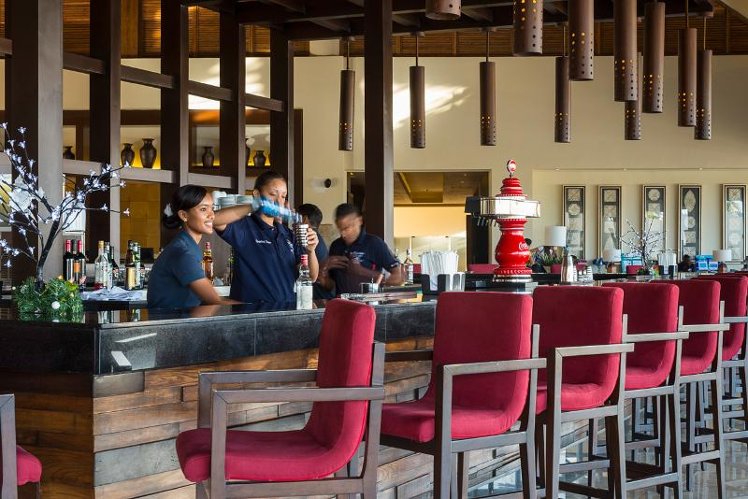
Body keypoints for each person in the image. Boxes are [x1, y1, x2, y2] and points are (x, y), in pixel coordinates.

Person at [213, 170, 319, 303]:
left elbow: (311, 277)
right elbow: (213, 220)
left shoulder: (287, 234)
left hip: (286, 310)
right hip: (253, 312)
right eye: (273, 195)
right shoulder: (245, 227)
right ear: (257, 194)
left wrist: (311, 251)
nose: (279, 202)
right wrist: (254, 205)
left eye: (283, 196)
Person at [147, 185, 238, 309]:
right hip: (170, 321)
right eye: (203, 209)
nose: (212, 215)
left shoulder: (186, 245)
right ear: (184, 215)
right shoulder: (182, 252)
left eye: (212, 208)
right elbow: (214, 300)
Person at [318, 203, 403, 295]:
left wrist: (361, 271)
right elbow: (331, 286)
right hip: (342, 302)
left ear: (359, 221)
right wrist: (323, 273)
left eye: (347, 228)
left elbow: (398, 279)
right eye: (340, 229)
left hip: (369, 301)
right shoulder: (336, 246)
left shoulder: (374, 243)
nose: (343, 234)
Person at [297, 203, 333, 300]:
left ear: (304, 219)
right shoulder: (317, 238)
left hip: (316, 297)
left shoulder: (308, 240)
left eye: (296, 217)